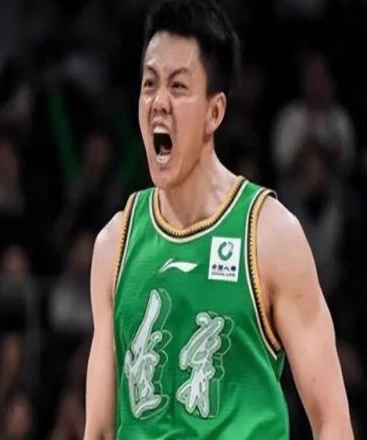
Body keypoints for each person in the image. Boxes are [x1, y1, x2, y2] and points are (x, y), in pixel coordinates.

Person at [85, 0, 352, 438]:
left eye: (178, 86)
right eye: (149, 84)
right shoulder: (114, 244)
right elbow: (97, 430)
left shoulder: (269, 235)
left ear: (215, 112)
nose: (159, 102)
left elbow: (333, 423)